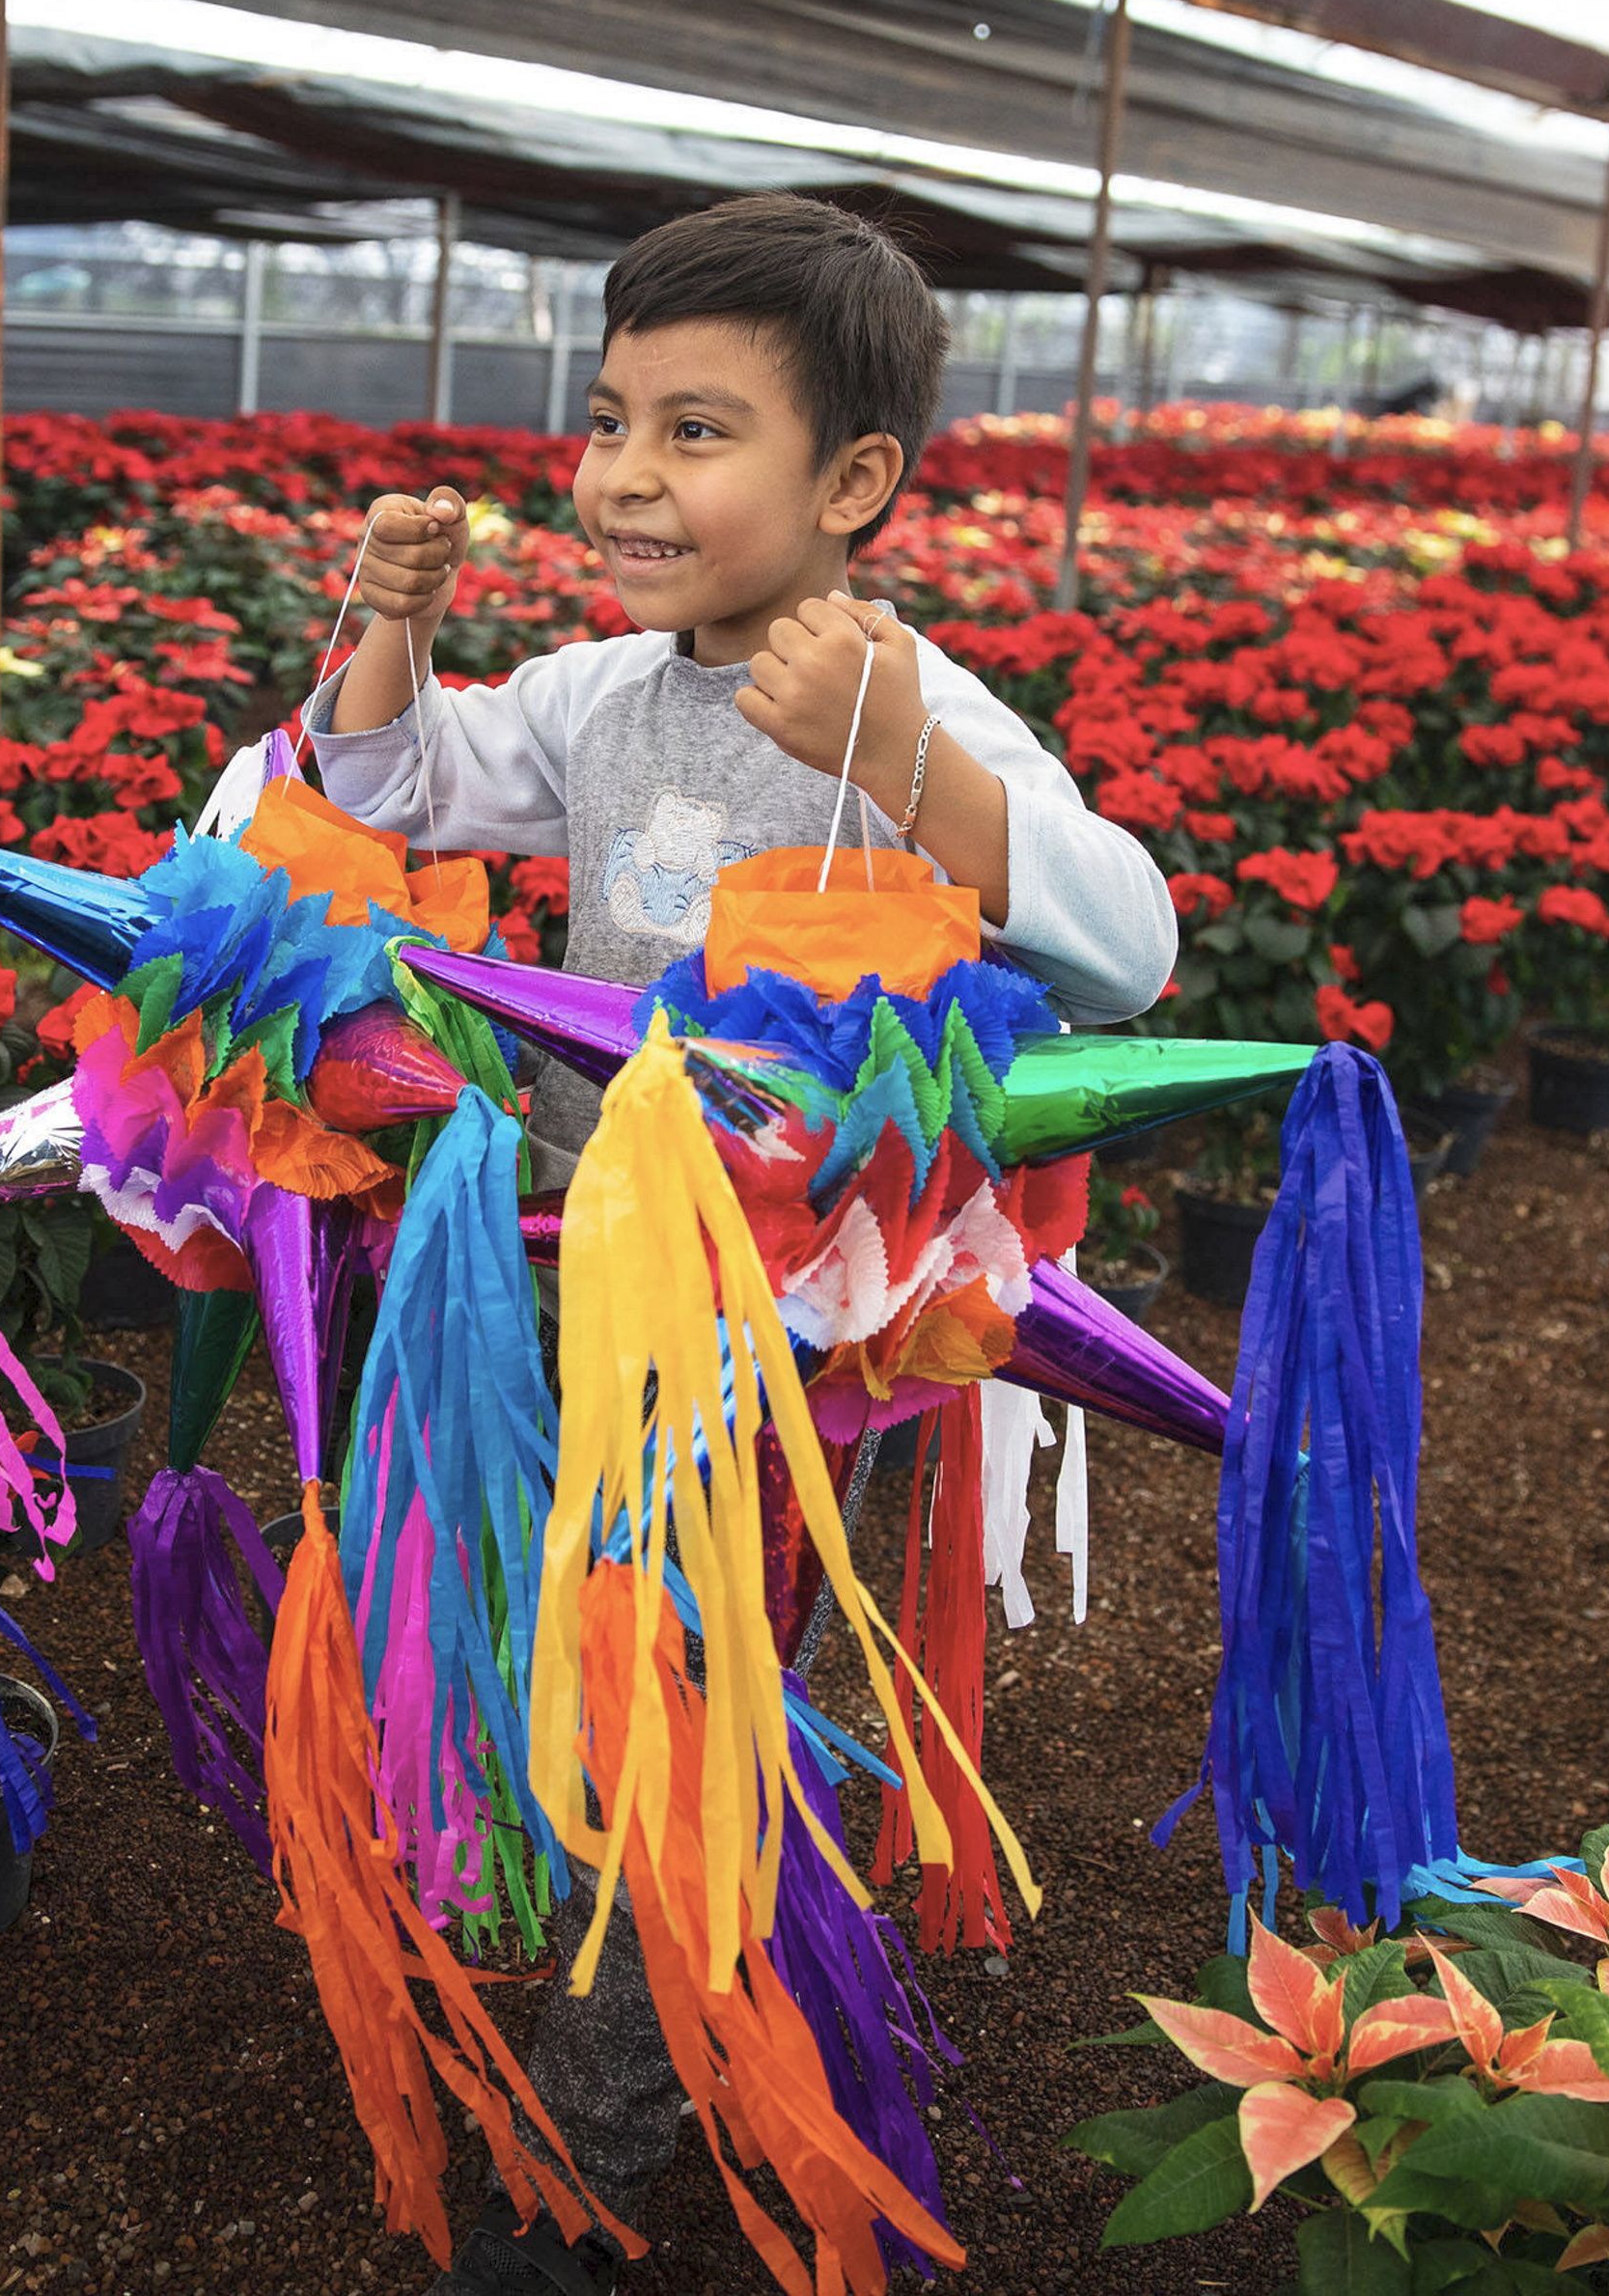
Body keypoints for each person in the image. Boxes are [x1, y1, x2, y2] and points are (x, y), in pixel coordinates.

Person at [301, 192, 1177, 2292]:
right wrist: (384, 621)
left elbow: (1127, 944)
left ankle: (607, 2143)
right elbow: (386, 777)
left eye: (695, 433)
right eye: (609, 424)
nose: (619, 480)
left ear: (852, 481)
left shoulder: (903, 695)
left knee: (695, 1675)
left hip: (779, 1330)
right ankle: (640, 1964)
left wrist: (902, 766)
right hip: (572, 1267)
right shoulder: (599, 690)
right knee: (585, 1644)